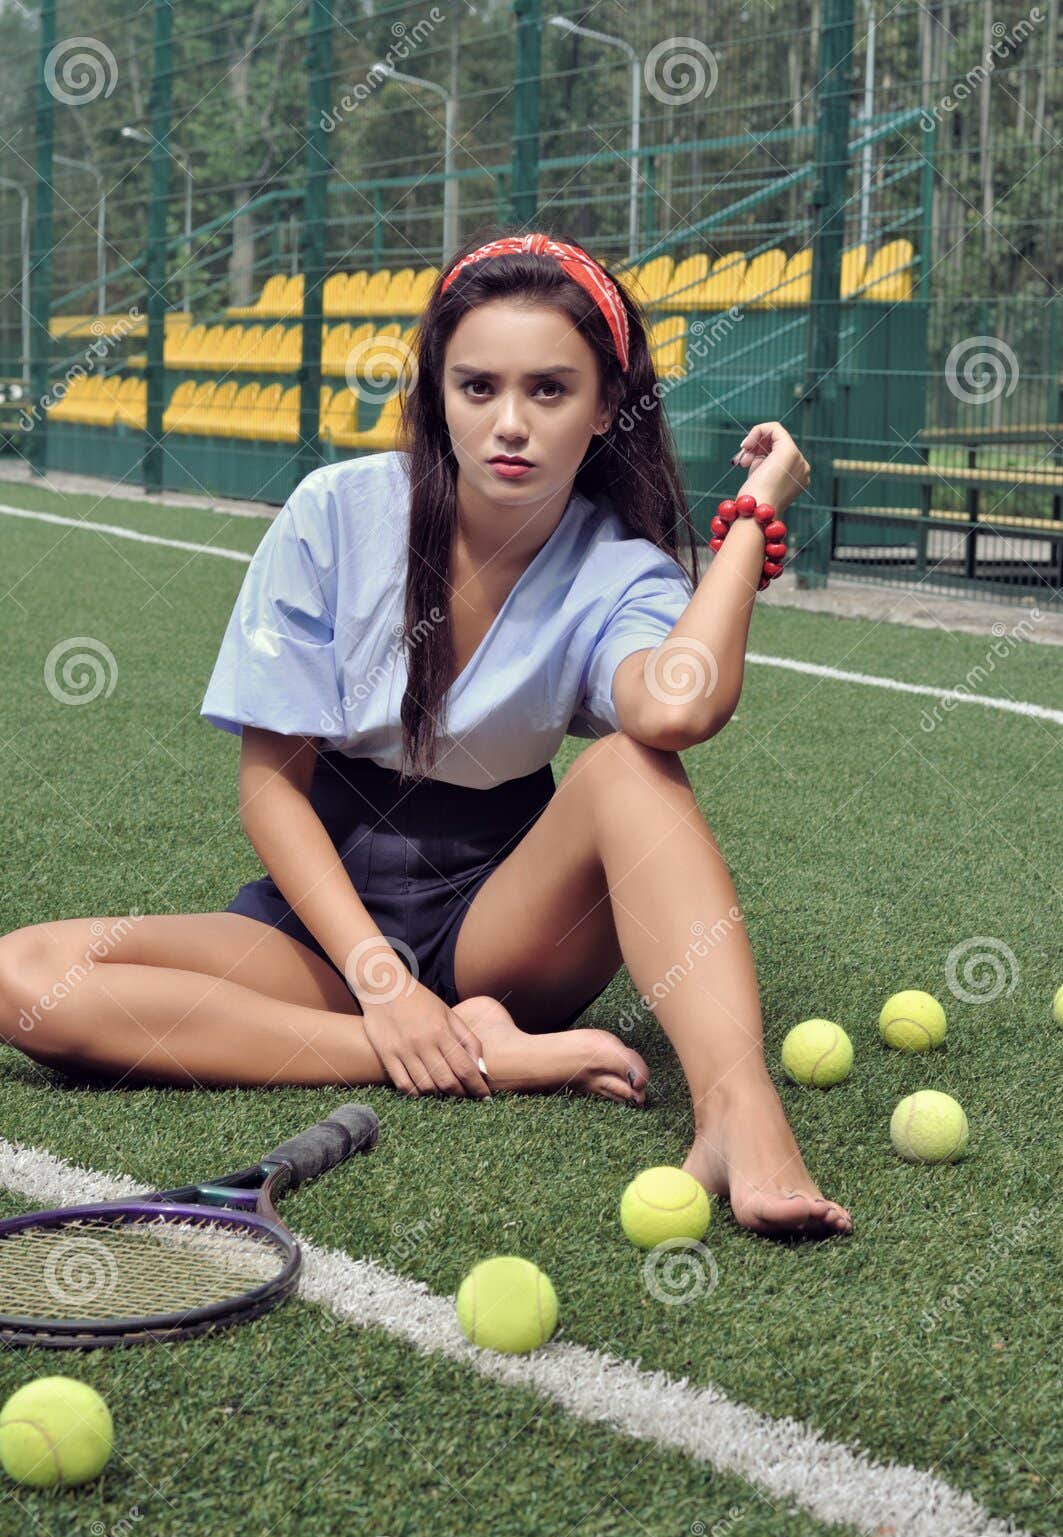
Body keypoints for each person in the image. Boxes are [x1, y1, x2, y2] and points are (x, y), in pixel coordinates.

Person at [0, 227, 851, 1239]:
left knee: (632, 767)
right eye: (477, 386)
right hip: (325, 915)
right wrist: (383, 990)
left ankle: (735, 1110)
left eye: (550, 390)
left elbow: (676, 708)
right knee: (26, 981)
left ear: (606, 405)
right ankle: (471, 1053)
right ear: (436, 390)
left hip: (507, 914)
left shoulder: (616, 565)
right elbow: (271, 785)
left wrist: (752, 516)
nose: (509, 424)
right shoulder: (335, 513)